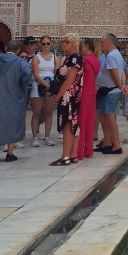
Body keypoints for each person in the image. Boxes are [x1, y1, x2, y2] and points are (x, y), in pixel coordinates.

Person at [0, 40, 32, 162]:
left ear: (6, 48)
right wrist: (21, 86)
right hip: (13, 96)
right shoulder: (19, 61)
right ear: (17, 51)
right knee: (12, 122)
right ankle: (10, 153)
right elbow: (27, 73)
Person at [49, 34, 84, 165]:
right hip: (70, 95)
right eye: (63, 41)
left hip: (69, 96)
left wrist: (58, 96)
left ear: (74, 44)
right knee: (73, 123)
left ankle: (66, 156)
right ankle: (73, 154)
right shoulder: (69, 58)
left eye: (67, 42)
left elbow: (70, 80)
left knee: (69, 123)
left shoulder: (74, 59)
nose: (64, 44)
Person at [96, 33, 126, 154]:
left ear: (108, 43)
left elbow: (114, 73)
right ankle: (107, 142)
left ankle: (116, 145)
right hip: (109, 90)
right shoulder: (115, 54)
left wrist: (120, 86)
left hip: (111, 91)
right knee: (106, 117)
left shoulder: (111, 56)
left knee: (110, 119)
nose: (101, 44)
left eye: (102, 42)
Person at [30, 36, 59, 147]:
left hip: (50, 87)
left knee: (49, 112)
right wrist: (45, 84)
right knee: (36, 112)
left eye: (47, 43)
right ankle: (34, 137)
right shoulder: (36, 58)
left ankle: (47, 136)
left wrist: (51, 87)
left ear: (51, 44)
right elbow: (36, 74)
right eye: (43, 43)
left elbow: (57, 74)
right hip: (38, 85)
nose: (45, 46)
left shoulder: (55, 58)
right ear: (40, 45)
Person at [79, 39, 101, 159]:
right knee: (89, 122)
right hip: (92, 92)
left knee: (81, 123)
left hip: (83, 93)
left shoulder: (84, 60)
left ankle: (79, 152)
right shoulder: (96, 60)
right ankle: (88, 150)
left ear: (86, 46)